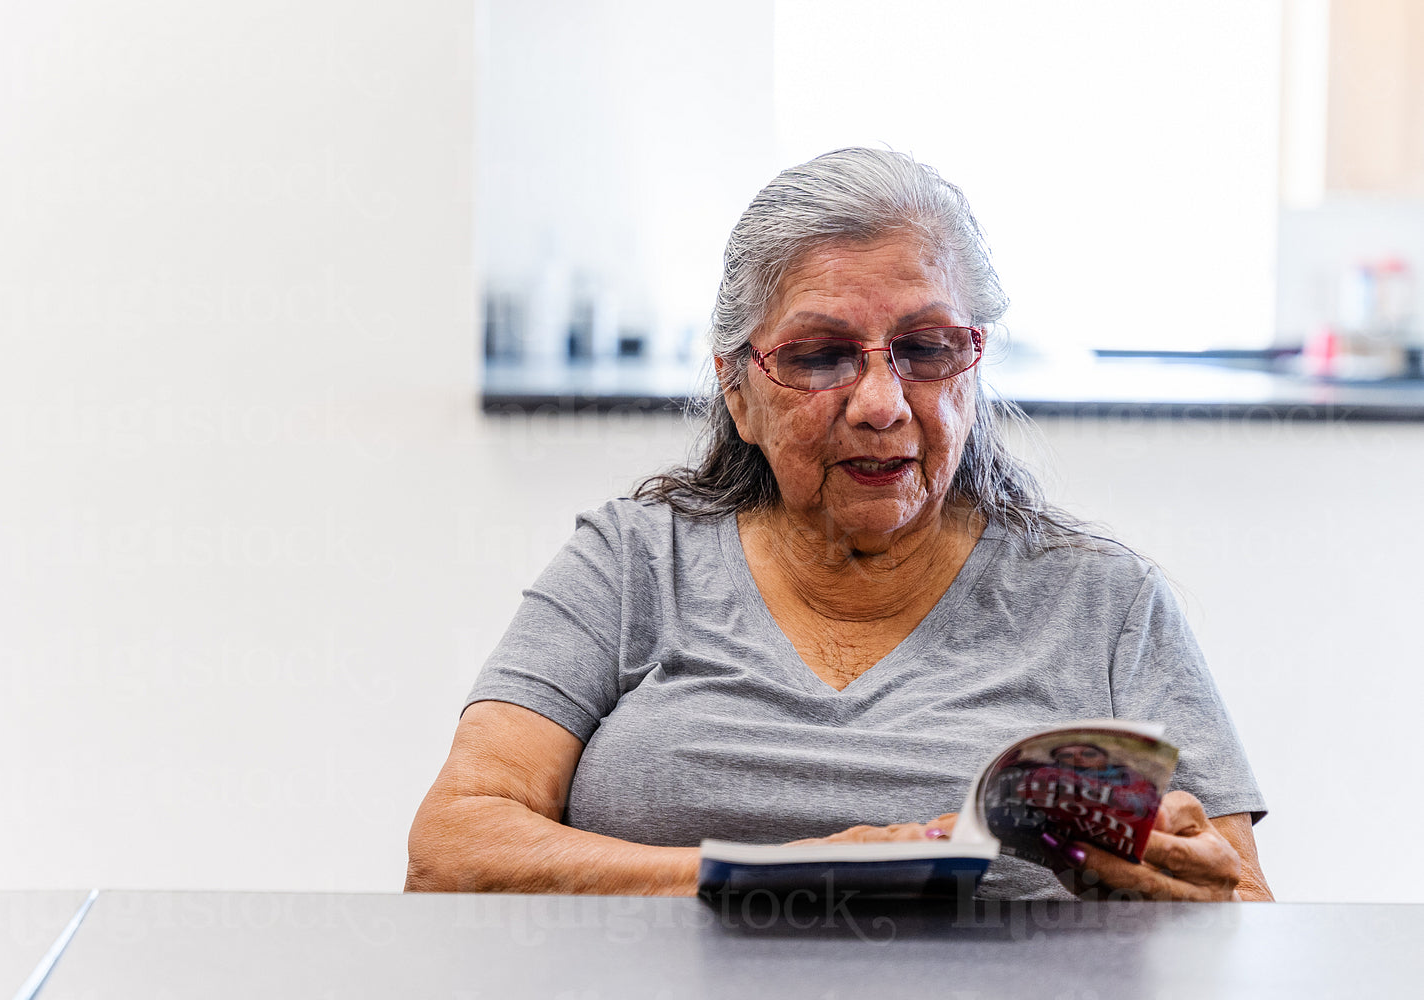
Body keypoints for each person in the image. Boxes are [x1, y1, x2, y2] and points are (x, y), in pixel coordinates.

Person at [407, 148, 1272, 901]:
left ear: (974, 369)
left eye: (927, 349)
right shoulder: (630, 563)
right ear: (737, 391)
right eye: (819, 356)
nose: (881, 404)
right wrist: (791, 873)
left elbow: (1242, 915)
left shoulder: (1107, 604)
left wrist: (1177, 889)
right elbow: (451, 850)